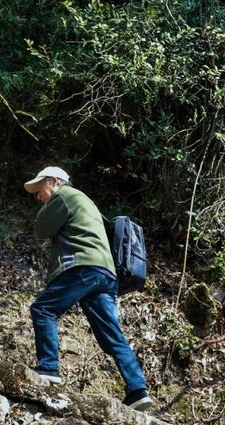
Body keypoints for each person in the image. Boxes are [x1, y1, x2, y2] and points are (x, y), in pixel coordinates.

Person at [24, 166, 152, 411]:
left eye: (40, 189)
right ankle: (138, 390)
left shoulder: (64, 196)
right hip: (106, 274)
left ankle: (49, 368)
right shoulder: (88, 203)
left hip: (82, 266)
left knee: (43, 310)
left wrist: (45, 208)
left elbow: (41, 229)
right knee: (112, 335)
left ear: (54, 181)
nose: (38, 197)